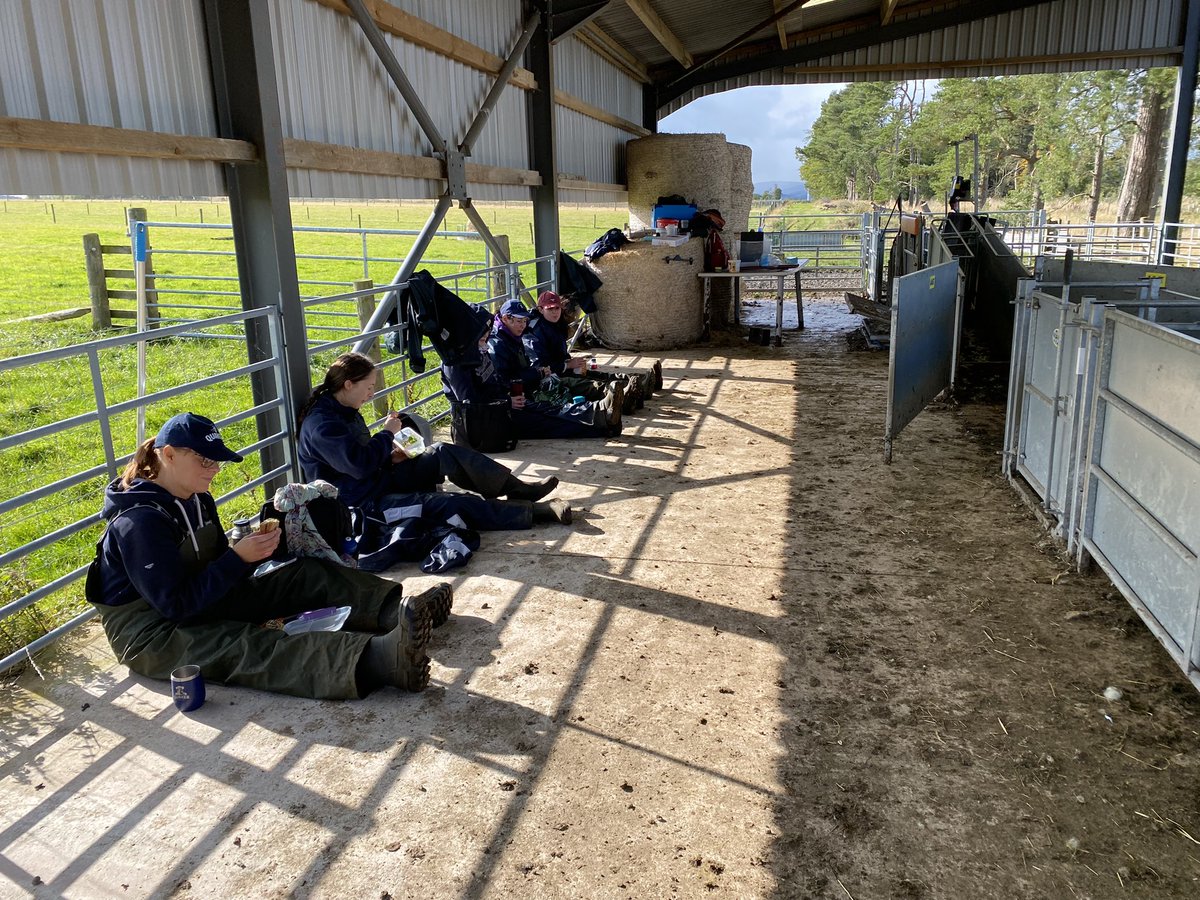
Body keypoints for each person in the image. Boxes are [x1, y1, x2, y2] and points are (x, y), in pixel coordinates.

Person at [86, 412, 448, 700]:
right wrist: (236, 560)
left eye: (217, 463)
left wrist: (257, 552)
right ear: (168, 456)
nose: (214, 471)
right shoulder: (139, 523)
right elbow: (177, 605)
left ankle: (395, 612)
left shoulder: (196, 496)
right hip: (153, 632)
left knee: (303, 574)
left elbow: (213, 573)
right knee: (246, 645)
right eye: (205, 462)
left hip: (200, 600)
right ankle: (379, 660)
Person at [298, 353, 572, 528]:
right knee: (446, 504)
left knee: (441, 451)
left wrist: (389, 456)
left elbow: (360, 459)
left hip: (377, 480)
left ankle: (516, 488)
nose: (371, 394)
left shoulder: (344, 409)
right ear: (348, 384)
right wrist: (386, 434)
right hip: (362, 505)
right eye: (368, 388)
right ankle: (533, 512)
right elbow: (357, 465)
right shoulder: (323, 425)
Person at [482, 298, 623, 438]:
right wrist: (539, 373)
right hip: (512, 400)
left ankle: (604, 415)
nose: (523, 325)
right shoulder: (497, 344)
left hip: (521, 393)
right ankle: (602, 417)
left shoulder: (511, 336)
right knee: (550, 416)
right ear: (507, 318)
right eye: (519, 321)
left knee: (553, 412)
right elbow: (504, 380)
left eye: (525, 321)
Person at [523, 290, 663, 412]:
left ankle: (640, 381)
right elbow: (539, 365)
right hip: (547, 380)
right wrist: (567, 365)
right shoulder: (535, 332)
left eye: (557, 308)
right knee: (586, 385)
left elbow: (559, 354)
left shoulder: (554, 325)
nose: (555, 312)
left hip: (559, 370)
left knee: (598, 375)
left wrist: (570, 362)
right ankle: (627, 394)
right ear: (541, 309)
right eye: (550, 309)